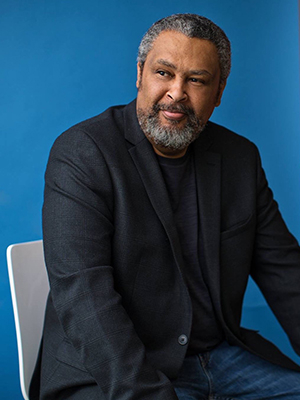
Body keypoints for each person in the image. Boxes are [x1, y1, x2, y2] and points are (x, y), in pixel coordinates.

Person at [30, 13, 300, 400]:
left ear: (219, 91)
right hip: (118, 372)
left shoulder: (240, 158)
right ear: (140, 74)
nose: (177, 93)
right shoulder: (82, 154)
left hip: (221, 360)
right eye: (164, 73)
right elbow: (85, 298)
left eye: (196, 80)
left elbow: (286, 273)